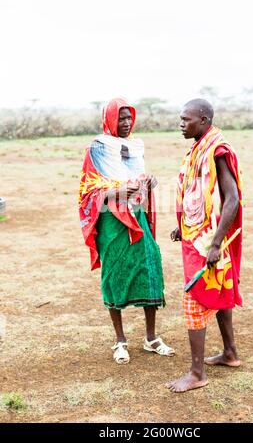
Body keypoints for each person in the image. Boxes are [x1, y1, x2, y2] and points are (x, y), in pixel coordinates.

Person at [79, 98, 174, 364]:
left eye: (129, 117)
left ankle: (151, 338)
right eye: (121, 118)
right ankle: (120, 340)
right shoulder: (97, 149)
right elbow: (87, 190)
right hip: (111, 221)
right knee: (114, 273)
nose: (126, 123)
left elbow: (137, 179)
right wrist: (118, 191)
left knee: (149, 266)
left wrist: (148, 183)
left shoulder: (136, 145)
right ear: (109, 119)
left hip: (137, 214)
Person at [166, 98, 243, 392]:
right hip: (199, 233)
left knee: (195, 297)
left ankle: (197, 373)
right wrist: (183, 223)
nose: (181, 123)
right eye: (180, 118)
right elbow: (202, 192)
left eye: (187, 119)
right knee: (218, 291)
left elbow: (232, 199)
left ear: (204, 120)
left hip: (208, 240)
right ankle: (230, 353)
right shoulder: (200, 146)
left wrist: (215, 243)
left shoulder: (217, 150)